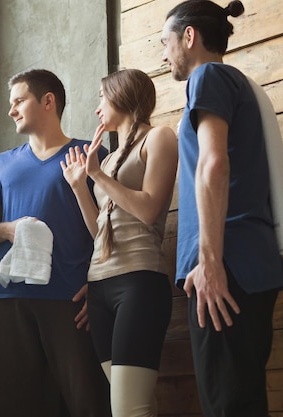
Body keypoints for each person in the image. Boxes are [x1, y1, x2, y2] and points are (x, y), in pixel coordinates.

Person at [160, 1, 283, 415]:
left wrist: (209, 261)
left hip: (224, 267)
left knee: (228, 406)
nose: (164, 54)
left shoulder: (208, 76)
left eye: (167, 43)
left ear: (189, 37)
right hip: (246, 267)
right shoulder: (237, 84)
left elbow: (214, 162)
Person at [0, 69, 111, 417]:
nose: (11, 110)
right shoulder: (2, 164)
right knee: (12, 405)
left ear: (48, 101)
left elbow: (111, 230)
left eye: (18, 101)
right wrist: (9, 230)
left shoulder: (91, 154)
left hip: (71, 299)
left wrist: (101, 287)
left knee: (88, 402)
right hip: (9, 300)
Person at [61, 68, 178, 416]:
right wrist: (81, 187)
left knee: (129, 408)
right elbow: (101, 231)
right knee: (133, 404)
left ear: (122, 94)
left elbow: (149, 209)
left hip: (139, 281)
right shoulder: (109, 158)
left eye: (102, 96)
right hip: (100, 287)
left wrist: (96, 175)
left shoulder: (159, 138)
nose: (97, 107)